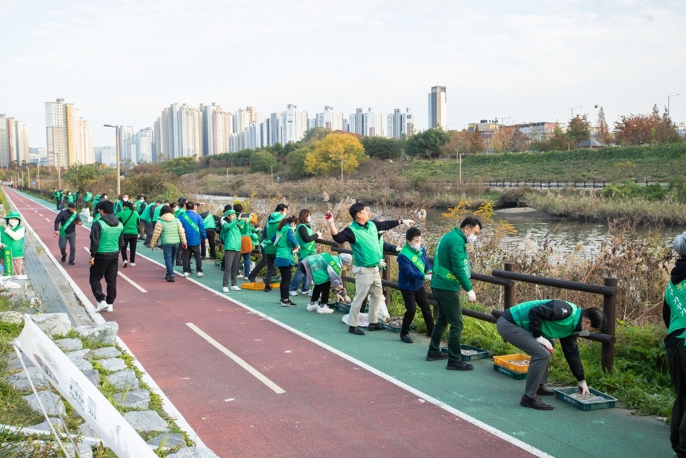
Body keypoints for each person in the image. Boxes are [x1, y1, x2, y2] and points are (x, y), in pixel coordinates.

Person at [497, 299, 606, 411]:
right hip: (509, 323)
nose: (590, 333)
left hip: (520, 325)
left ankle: (538, 386)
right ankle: (529, 397)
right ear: (587, 322)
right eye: (592, 330)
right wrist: (538, 336)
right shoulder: (565, 310)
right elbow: (535, 311)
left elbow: (572, 354)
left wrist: (581, 380)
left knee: (548, 345)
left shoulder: (572, 329)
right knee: (542, 353)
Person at [328, 203, 414, 335]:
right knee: (360, 297)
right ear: (358, 214)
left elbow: (386, 224)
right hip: (363, 269)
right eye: (365, 211)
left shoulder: (372, 225)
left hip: (375, 268)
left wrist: (402, 221)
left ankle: (372, 323)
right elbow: (338, 238)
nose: (367, 212)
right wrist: (331, 222)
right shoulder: (351, 231)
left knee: (377, 294)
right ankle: (352, 325)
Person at [427, 217, 481, 370]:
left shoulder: (450, 236)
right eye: (475, 232)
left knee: (443, 319)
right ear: (467, 228)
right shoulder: (457, 241)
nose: (475, 237)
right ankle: (454, 360)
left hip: (438, 283)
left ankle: (433, 351)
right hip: (446, 286)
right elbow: (458, 267)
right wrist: (469, 289)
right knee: (457, 323)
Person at [664, 231, 686, 457]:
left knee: (682, 396)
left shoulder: (672, 283)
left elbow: (666, 316)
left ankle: (679, 446)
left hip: (674, 342)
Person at [397, 227, 434, 343]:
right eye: (415, 241)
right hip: (407, 286)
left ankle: (431, 330)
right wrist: (424, 276)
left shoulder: (421, 249)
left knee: (426, 307)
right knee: (411, 309)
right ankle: (404, 333)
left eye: (419, 240)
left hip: (418, 285)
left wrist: (429, 271)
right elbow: (409, 272)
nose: (418, 243)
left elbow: (426, 262)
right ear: (409, 241)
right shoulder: (403, 255)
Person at [89, 201, 124, 312]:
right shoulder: (119, 224)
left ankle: (101, 300)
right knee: (111, 279)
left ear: (102, 211)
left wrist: (92, 255)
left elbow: (94, 241)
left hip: (101, 255)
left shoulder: (98, 223)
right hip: (114, 254)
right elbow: (121, 242)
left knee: (94, 278)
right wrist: (117, 251)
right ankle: (110, 304)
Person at [248, 203, 288, 291]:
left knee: (269, 261)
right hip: (268, 242)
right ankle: (252, 275)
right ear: (280, 211)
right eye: (285, 211)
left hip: (266, 241)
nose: (285, 213)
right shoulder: (277, 220)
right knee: (265, 260)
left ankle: (270, 279)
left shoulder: (271, 218)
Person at [150, 205, 187, 283]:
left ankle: (171, 275)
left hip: (166, 242)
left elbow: (156, 234)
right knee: (172, 258)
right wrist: (184, 242)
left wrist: (152, 244)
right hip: (176, 242)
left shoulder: (160, 221)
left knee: (167, 259)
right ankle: (169, 273)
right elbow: (181, 232)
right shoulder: (176, 220)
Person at [290, 209, 320, 297]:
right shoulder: (302, 227)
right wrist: (317, 235)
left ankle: (305, 288)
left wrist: (316, 236)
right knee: (301, 270)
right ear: (305, 216)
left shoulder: (305, 226)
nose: (310, 218)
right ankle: (292, 288)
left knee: (307, 270)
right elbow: (307, 239)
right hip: (304, 252)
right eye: (309, 216)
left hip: (308, 251)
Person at [272, 215, 299, 307]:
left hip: (279, 255)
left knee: (283, 279)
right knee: (287, 280)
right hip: (286, 256)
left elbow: (272, 239)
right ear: (293, 223)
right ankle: (286, 300)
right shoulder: (288, 229)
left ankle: (282, 298)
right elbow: (292, 239)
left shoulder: (280, 229)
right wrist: (297, 245)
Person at [179, 201, 206, 278]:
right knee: (197, 256)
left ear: (186, 207)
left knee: (186, 256)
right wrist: (204, 237)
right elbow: (202, 228)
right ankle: (199, 271)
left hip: (185, 239)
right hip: (195, 240)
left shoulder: (181, 216)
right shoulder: (198, 216)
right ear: (194, 207)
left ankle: (186, 271)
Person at [219, 209, 243, 292]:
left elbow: (244, 230)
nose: (234, 216)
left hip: (238, 248)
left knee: (235, 268)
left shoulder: (237, 225)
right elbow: (228, 227)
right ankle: (225, 285)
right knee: (228, 268)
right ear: (228, 217)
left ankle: (234, 284)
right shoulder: (226, 224)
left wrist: (246, 221)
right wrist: (237, 220)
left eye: (235, 215)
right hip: (230, 247)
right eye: (232, 215)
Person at [234, 204, 257, 277]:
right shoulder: (246, 216)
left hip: (238, 238)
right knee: (247, 257)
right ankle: (247, 275)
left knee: (237, 257)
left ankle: (236, 273)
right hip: (246, 238)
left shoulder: (235, 216)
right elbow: (254, 221)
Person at [1, 211, 26, 275]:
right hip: (4, 254)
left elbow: (15, 236)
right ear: (8, 219)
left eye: (16, 219)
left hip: (17, 255)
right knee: (5, 274)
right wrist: (1, 244)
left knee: (17, 274)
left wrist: (7, 229)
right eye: (12, 218)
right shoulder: (1, 229)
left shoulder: (21, 229)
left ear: (18, 221)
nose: (14, 220)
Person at [117, 201, 140, 268]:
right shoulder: (136, 213)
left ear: (125, 206)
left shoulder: (121, 213)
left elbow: (116, 221)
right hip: (134, 232)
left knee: (123, 247)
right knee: (133, 248)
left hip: (124, 232)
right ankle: (132, 262)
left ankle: (125, 260)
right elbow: (138, 222)